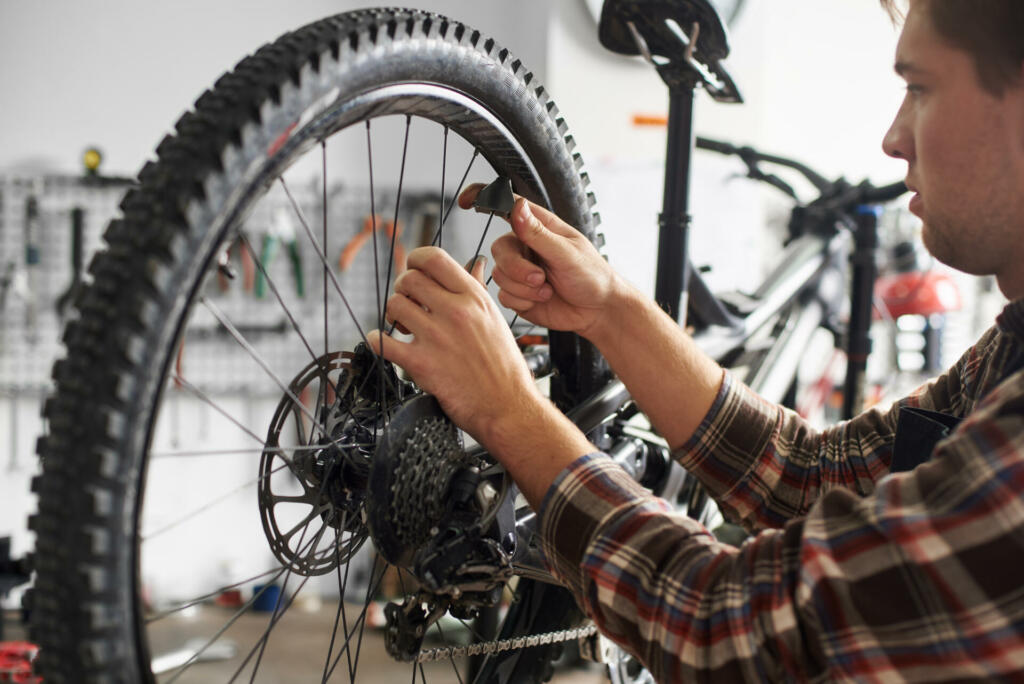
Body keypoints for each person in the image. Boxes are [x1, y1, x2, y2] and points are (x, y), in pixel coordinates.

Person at [368, 0, 1024, 680]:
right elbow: (811, 478)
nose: (893, 137)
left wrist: (508, 409)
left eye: (919, 88)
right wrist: (613, 309)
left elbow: (731, 630)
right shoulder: (1009, 350)